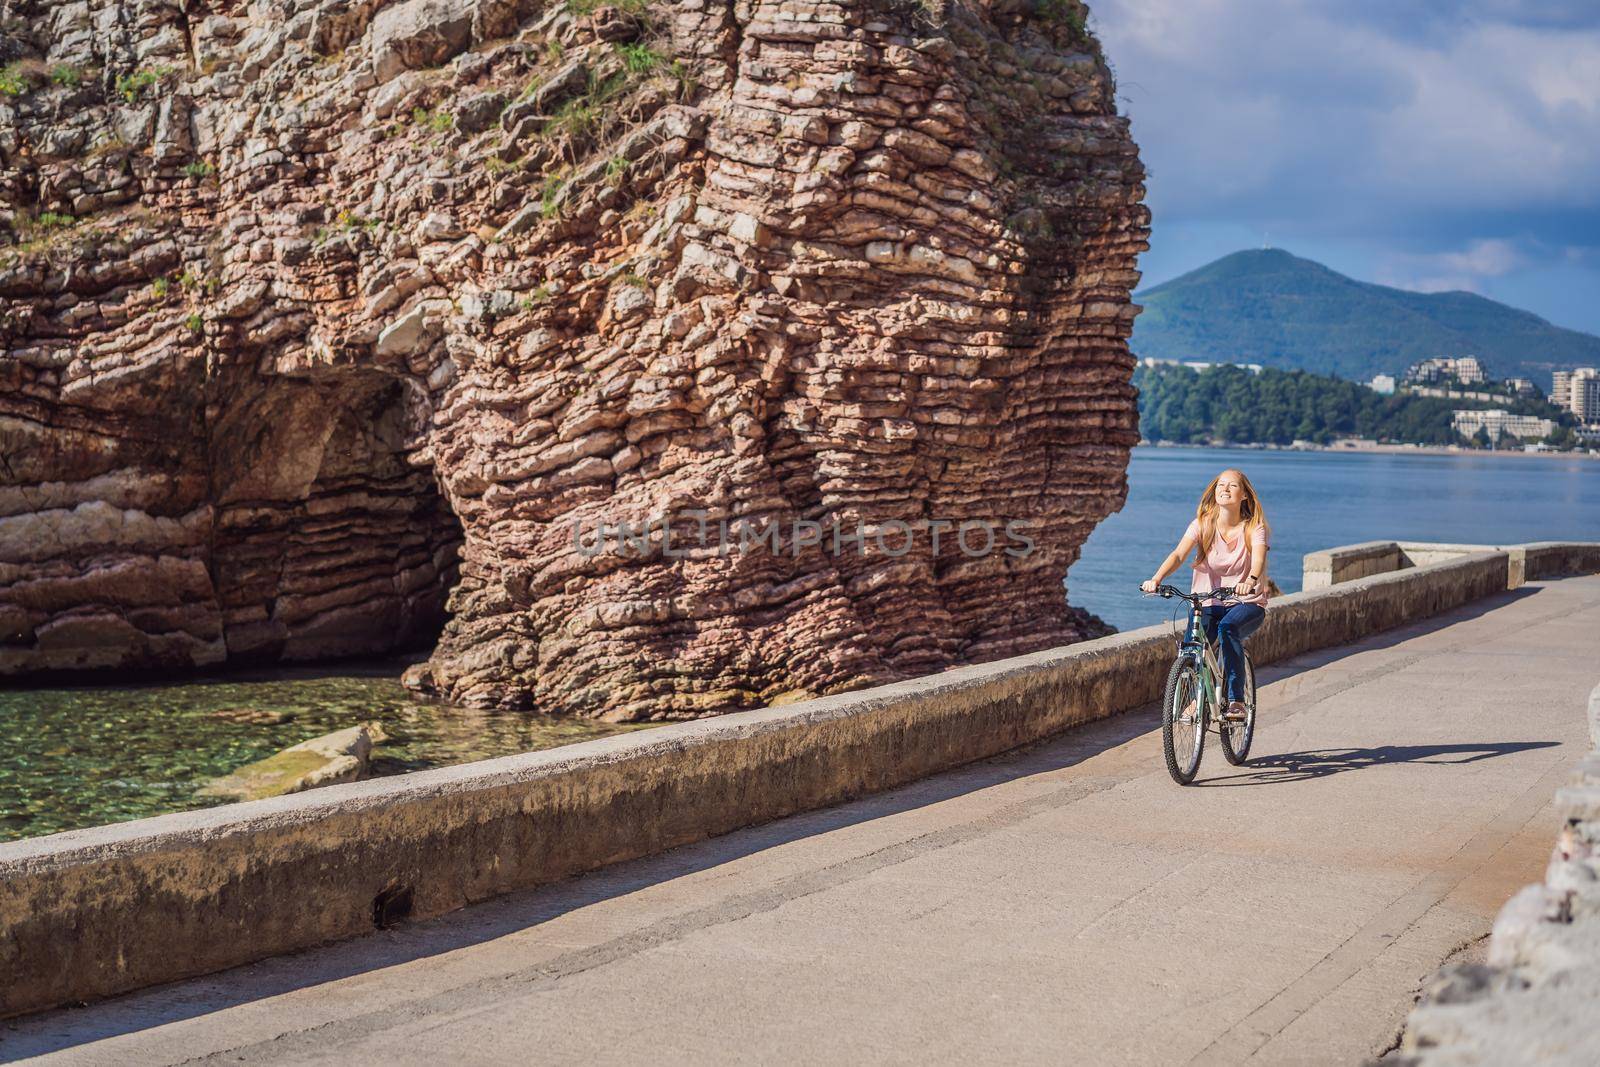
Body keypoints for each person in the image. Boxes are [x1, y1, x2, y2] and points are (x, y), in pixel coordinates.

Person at [1140, 468, 1270, 722]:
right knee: (1193, 647)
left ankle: (1235, 701)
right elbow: (1179, 555)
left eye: (1232, 486)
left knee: (1228, 629)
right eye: (1221, 485)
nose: (1224, 489)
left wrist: (1250, 581)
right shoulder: (1202, 524)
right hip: (1208, 600)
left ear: (1244, 494)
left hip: (1246, 602)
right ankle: (1195, 700)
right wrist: (1156, 579)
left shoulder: (1254, 527)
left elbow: (1258, 560)